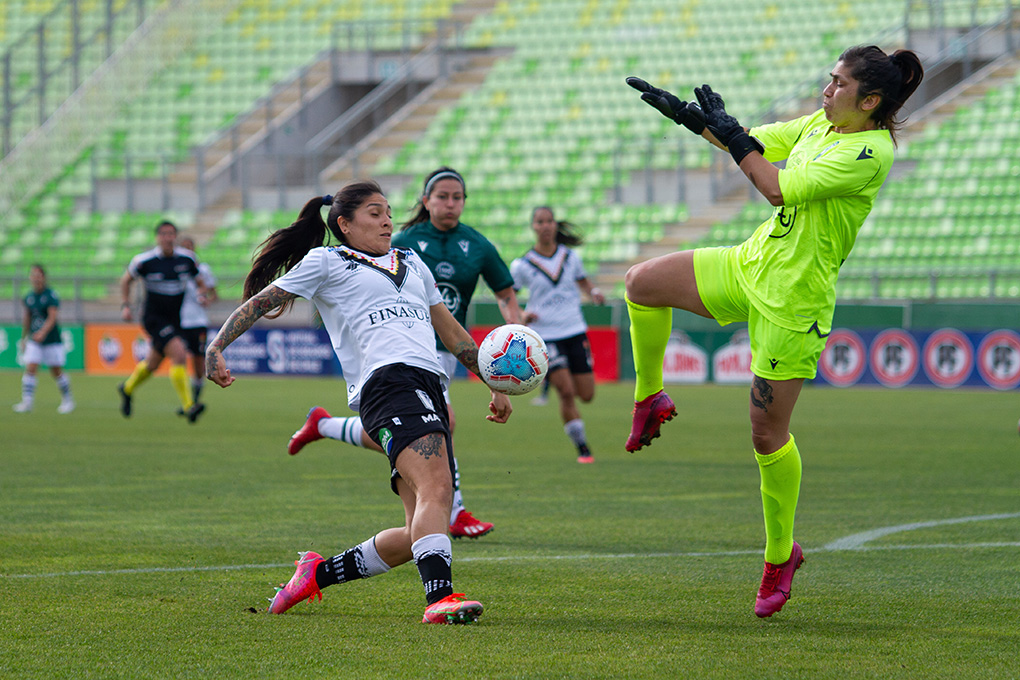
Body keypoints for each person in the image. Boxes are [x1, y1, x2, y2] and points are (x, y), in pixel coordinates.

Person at [623, 45, 923, 617]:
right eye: (829, 80)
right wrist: (692, 119)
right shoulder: (822, 122)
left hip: (794, 302)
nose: (826, 91)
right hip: (750, 264)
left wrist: (733, 135)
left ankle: (780, 556)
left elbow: (776, 185)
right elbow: (751, 144)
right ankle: (649, 394)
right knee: (641, 282)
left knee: (766, 434)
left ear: (871, 100)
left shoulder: (869, 150)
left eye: (838, 84)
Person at [205, 180, 512, 623]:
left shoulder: (412, 263)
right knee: (437, 488)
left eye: (387, 211)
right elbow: (264, 300)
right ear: (344, 224)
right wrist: (217, 346)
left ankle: (316, 574)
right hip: (386, 384)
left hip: (427, 383)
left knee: (420, 530)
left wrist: (492, 383)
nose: (387, 219)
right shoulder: (326, 261)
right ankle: (438, 600)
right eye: (374, 212)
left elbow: (454, 335)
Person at [287, 167, 524, 539]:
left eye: (457, 197)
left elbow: (503, 295)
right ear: (426, 201)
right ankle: (455, 511)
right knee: (442, 425)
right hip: (400, 357)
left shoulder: (475, 245)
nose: (450, 203)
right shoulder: (403, 243)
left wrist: (513, 341)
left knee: (414, 433)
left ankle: (325, 425)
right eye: (442, 196)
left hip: (445, 353)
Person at [510, 207, 605, 463]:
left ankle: (571, 420)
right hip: (546, 335)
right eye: (540, 221)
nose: (546, 225)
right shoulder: (522, 265)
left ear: (555, 225)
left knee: (586, 394)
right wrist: (522, 314)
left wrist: (593, 292)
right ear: (534, 226)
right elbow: (508, 296)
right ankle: (582, 447)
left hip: (574, 330)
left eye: (549, 221)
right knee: (565, 390)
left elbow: (583, 281)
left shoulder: (570, 257)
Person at [118, 220, 208, 423]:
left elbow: (200, 282)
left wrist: (202, 294)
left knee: (152, 364)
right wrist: (125, 305)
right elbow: (126, 280)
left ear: (175, 237)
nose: (168, 238)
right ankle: (189, 406)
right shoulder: (145, 261)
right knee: (178, 353)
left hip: (174, 319)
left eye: (171, 234)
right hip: (153, 318)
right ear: (157, 238)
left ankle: (127, 388)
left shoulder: (187, 259)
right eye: (164, 234)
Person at [12, 264, 75, 414]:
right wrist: (24, 337)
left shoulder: (51, 295)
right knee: (30, 368)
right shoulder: (29, 297)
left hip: (51, 340)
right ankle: (27, 402)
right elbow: (27, 318)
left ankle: (68, 400)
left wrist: (43, 332)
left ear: (44, 277)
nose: (35, 278)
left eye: (38, 275)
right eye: (33, 275)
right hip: (35, 340)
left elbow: (52, 317)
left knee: (56, 371)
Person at [177, 236, 218, 411]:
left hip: (198, 321)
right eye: (184, 247)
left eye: (190, 247)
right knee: (177, 358)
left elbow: (214, 294)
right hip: (178, 320)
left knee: (197, 358)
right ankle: (187, 401)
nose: (188, 251)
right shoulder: (177, 269)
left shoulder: (203, 270)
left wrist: (207, 300)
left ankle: (195, 397)